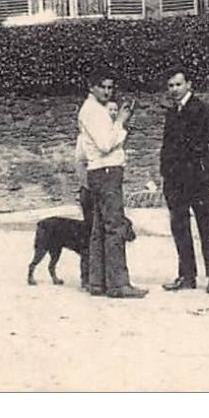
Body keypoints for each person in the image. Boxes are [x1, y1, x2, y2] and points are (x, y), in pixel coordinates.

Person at [75, 68, 148, 298]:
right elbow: (106, 144)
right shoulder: (93, 111)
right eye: (102, 87)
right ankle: (118, 284)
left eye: (110, 87)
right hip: (106, 172)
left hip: (99, 173)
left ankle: (97, 282)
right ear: (91, 87)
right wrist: (122, 123)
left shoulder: (95, 109)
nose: (107, 91)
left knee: (99, 228)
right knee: (114, 226)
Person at [159, 70, 209, 294]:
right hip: (174, 181)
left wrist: (207, 171)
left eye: (178, 84)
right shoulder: (171, 113)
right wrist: (165, 174)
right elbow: (167, 147)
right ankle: (187, 275)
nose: (174, 89)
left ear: (189, 84)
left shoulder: (203, 110)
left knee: (206, 226)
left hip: (197, 180)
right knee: (180, 228)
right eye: (170, 86)